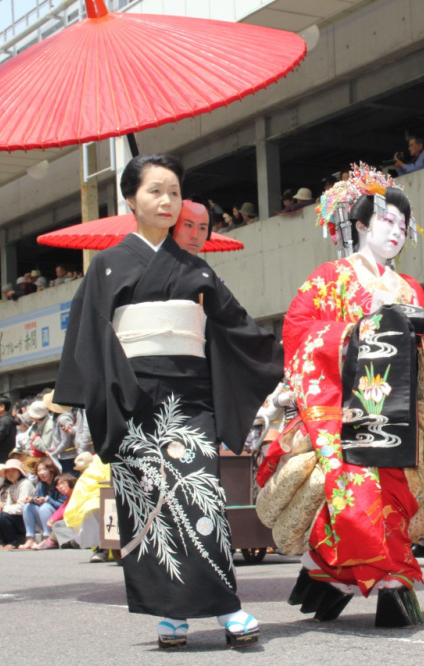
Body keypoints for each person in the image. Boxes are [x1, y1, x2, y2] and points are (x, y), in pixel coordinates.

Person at [263, 167, 424, 627]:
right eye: (387, 222)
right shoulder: (330, 278)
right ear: (359, 225)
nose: (397, 233)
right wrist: (356, 328)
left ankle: (334, 576)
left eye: (403, 225)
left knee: (394, 497)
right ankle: (387, 582)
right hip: (348, 411)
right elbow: (300, 332)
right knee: (356, 497)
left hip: (403, 414)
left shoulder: (408, 286)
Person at [55, 153, 282, 649]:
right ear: (130, 199)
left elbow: (237, 327)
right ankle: (171, 614)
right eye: (155, 190)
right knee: (149, 505)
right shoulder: (109, 266)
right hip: (131, 396)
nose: (166, 201)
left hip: (189, 396)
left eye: (174, 192)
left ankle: (226, 607)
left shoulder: (194, 268)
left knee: (201, 495)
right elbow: (90, 340)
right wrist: (108, 401)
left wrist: (286, 355)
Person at [0, 458, 35, 550]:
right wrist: (0, 506)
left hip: (27, 519)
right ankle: (4, 542)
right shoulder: (12, 486)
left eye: (13, 470)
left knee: (2, 517)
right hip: (16, 517)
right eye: (8, 471)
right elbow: (8, 504)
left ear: (20, 472)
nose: (10, 473)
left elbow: (22, 508)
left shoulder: (26, 484)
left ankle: (12, 542)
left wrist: (4, 508)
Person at [20, 458, 63, 549]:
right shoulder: (41, 484)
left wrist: (48, 500)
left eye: (44, 469)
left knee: (45, 507)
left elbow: (63, 506)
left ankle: (48, 538)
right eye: (39, 471)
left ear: (51, 470)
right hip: (45, 518)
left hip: (58, 519)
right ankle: (31, 538)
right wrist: (33, 500)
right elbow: (39, 500)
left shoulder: (60, 482)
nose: (41, 473)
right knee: (28, 507)